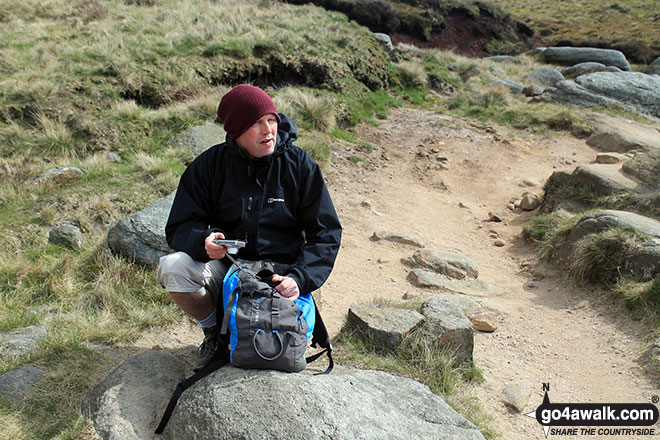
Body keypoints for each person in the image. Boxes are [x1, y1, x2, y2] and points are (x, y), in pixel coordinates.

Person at [156, 84, 342, 371]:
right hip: (229, 268)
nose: (268, 130)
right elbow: (179, 226)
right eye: (257, 123)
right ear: (236, 132)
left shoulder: (300, 165)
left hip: (280, 275)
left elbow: (326, 232)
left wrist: (300, 277)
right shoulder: (209, 165)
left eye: (271, 120)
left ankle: (276, 332)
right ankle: (214, 334)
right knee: (173, 267)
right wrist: (203, 241)